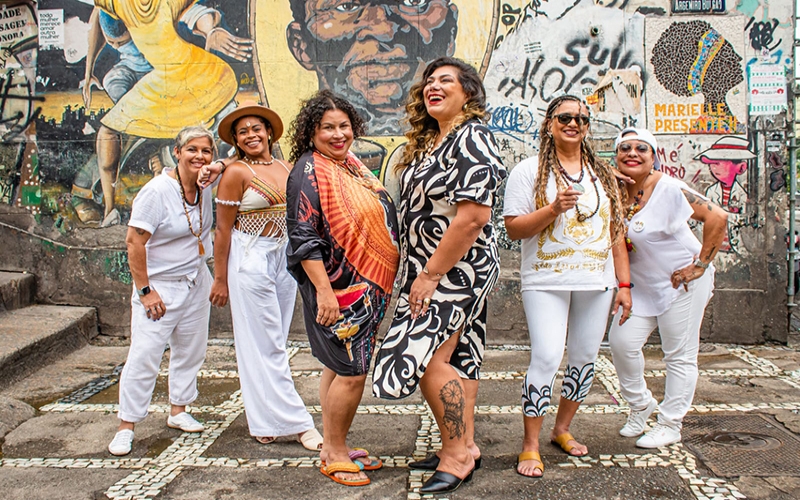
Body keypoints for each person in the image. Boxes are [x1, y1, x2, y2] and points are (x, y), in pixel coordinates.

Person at [372, 57, 506, 494]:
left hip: (455, 268)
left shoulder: (473, 138)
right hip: (431, 267)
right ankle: (465, 444)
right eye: (429, 80)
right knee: (460, 356)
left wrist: (430, 275)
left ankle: (456, 455)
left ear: (468, 92)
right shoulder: (431, 141)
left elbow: (472, 218)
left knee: (428, 358)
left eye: (446, 80)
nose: (433, 85)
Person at [502, 95, 632, 478]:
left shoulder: (602, 174)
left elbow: (616, 233)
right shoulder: (528, 172)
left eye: (581, 119)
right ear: (549, 123)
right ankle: (529, 444)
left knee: (584, 358)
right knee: (545, 357)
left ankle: (562, 429)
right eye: (565, 117)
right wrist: (553, 209)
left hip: (597, 282)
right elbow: (513, 228)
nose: (574, 123)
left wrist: (623, 284)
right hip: (546, 281)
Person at [285, 90, 400, 486]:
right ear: (311, 132)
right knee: (352, 372)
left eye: (343, 127)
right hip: (339, 289)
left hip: (364, 286)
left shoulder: (348, 164)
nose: (338, 134)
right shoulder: (308, 172)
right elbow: (304, 239)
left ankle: (335, 441)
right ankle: (333, 452)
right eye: (327, 128)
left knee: (337, 366)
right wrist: (325, 293)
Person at [208, 103, 322, 451]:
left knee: (270, 341)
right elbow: (222, 232)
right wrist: (220, 278)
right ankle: (299, 423)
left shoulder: (287, 167)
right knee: (267, 342)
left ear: (269, 132)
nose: (251, 135)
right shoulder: (235, 173)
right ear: (236, 141)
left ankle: (263, 419)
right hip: (249, 258)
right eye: (243, 132)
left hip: (284, 258)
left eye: (257, 129)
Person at [608, 128, 727, 448]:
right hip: (642, 288)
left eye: (641, 149)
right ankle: (640, 405)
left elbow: (719, 217)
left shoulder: (670, 188)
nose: (632, 153)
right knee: (621, 343)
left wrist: (699, 265)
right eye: (625, 148)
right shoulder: (616, 192)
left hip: (682, 286)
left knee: (679, 355)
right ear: (616, 155)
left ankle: (670, 423)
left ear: (653, 156)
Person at [108, 126, 216, 456]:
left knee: (191, 350)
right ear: (177, 152)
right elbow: (133, 241)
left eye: (207, 151)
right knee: (144, 356)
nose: (199, 156)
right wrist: (145, 291)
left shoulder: (206, 185)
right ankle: (127, 425)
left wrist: (220, 167)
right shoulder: (156, 192)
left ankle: (179, 410)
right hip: (160, 286)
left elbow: (241, 161)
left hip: (196, 279)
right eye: (192, 150)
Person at [286, 0, 458, 135]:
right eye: (346, 6)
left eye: (413, 2)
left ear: (450, 31)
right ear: (301, 44)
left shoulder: (465, 141)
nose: (384, 30)